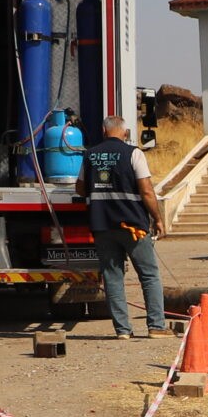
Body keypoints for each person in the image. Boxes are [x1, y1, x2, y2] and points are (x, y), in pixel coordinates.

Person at [75, 115, 165, 337]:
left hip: (102, 225)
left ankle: (123, 330)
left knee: (112, 276)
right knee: (149, 275)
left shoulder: (90, 155)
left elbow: (80, 188)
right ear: (125, 133)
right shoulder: (134, 153)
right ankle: (156, 326)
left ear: (104, 131)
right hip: (132, 226)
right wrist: (158, 219)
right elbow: (146, 190)